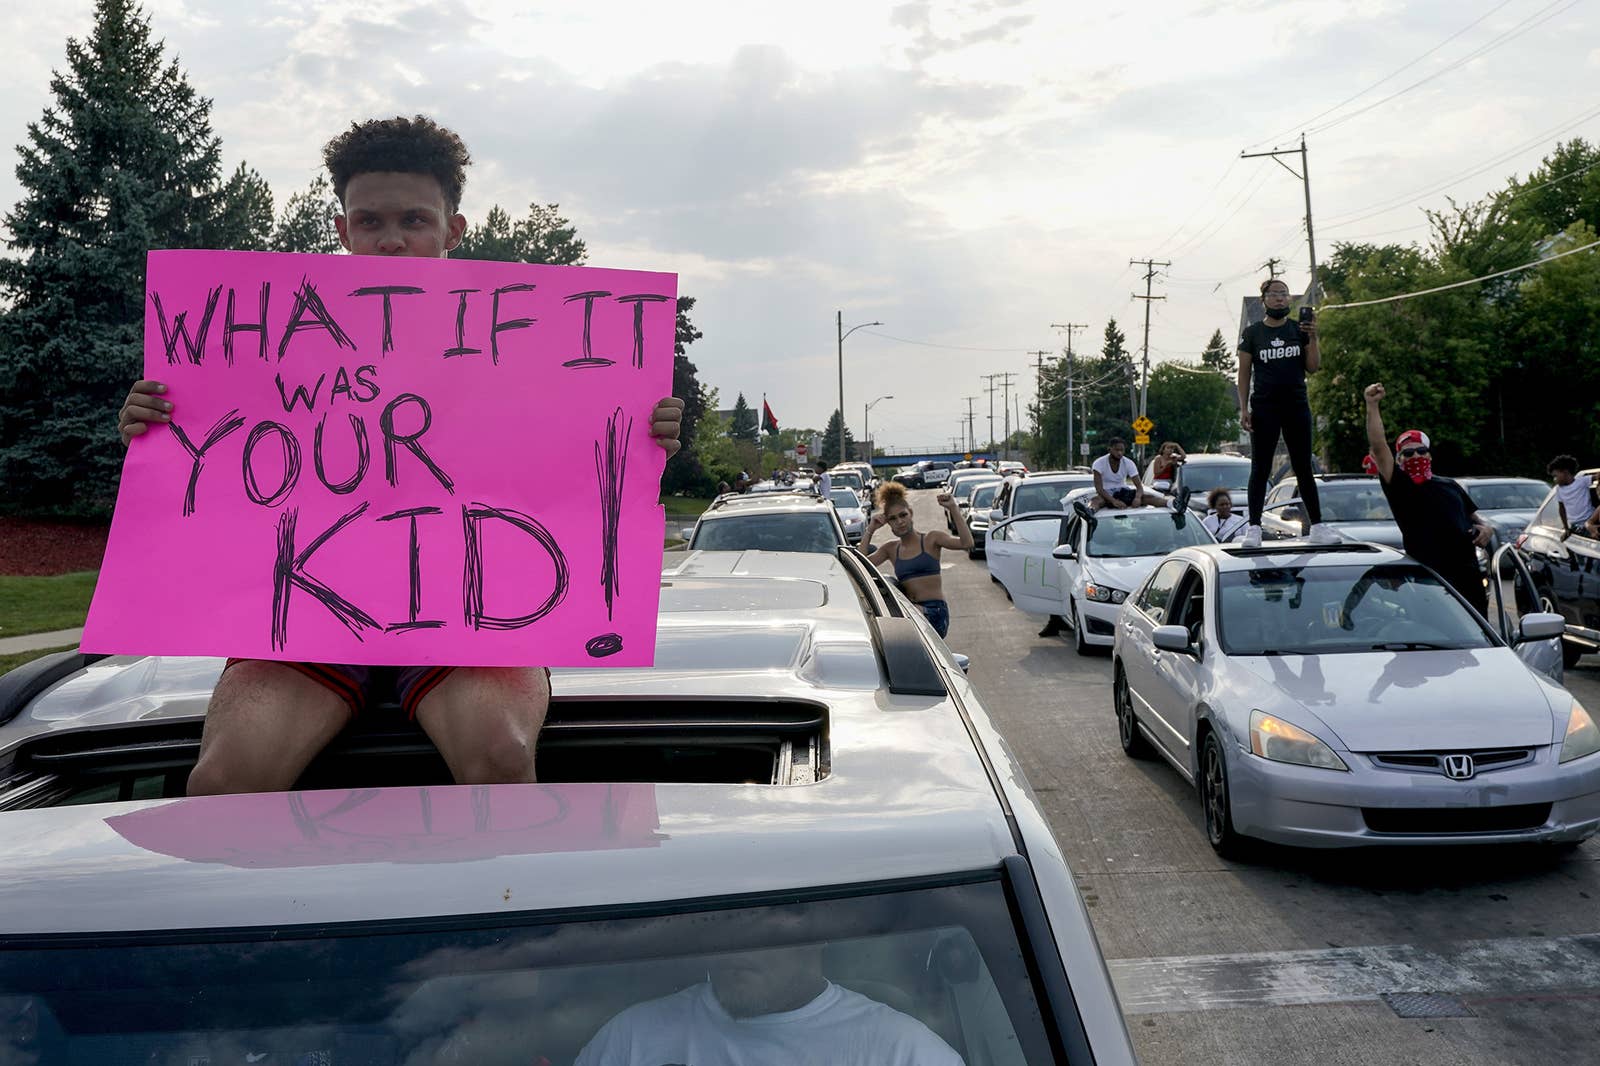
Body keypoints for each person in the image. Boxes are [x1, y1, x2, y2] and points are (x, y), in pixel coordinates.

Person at [116, 116, 684, 795]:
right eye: (370, 221)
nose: (391, 239)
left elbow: (573, 481)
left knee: (499, 759)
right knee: (224, 781)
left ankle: (498, 901)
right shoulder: (266, 337)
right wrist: (158, 428)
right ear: (341, 231)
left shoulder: (533, 342)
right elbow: (218, 467)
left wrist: (640, 436)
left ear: (454, 229)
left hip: (473, 612)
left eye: (414, 219)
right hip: (306, 614)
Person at [573, 944, 962, 1066]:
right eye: (727, 922)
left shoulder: (902, 1053)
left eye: (765, 925)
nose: (738, 946)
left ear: (818, 935)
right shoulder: (633, 1038)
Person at [1363, 383, 1493, 616]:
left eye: (1421, 451)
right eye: (1408, 453)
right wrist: (1372, 405)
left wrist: (1486, 529)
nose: (1416, 456)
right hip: (1427, 580)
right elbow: (1378, 445)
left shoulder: (1450, 486)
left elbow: (1476, 519)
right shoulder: (1400, 485)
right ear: (1399, 460)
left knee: (1476, 637)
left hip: (1467, 578)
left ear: (1430, 454)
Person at [1236, 278, 1336, 546]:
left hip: (1296, 405)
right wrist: (1243, 407)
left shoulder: (1298, 330)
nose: (1279, 298)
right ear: (1263, 300)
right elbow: (1244, 372)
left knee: (1304, 466)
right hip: (1265, 407)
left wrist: (1313, 336)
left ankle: (1317, 527)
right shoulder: (1253, 333)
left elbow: (1313, 367)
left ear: (1290, 300)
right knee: (1260, 468)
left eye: (1284, 294)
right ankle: (1254, 528)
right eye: (1274, 294)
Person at [859, 482, 971, 638]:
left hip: (935, 613)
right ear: (888, 523)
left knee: (902, 615)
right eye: (893, 518)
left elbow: (967, 543)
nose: (899, 521)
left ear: (910, 513)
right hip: (912, 612)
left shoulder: (932, 539)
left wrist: (953, 508)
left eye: (903, 515)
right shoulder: (890, 549)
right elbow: (859, 565)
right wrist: (870, 529)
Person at [1090, 437, 1163, 510]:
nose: (1119, 453)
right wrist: (1114, 501)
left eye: (1122, 450)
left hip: (1123, 492)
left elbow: (1139, 486)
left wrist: (1137, 498)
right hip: (1106, 494)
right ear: (1109, 449)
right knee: (1096, 500)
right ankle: (1090, 511)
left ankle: (1170, 503)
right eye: (1117, 450)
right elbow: (1099, 489)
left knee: (1147, 497)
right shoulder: (1099, 463)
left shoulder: (1128, 463)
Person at [1548, 454, 1600, 538]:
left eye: (1555, 476)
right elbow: (1562, 509)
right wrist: (1566, 528)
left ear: (1565, 472)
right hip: (1575, 526)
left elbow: (1597, 476)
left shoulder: (1582, 481)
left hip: (1590, 521)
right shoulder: (1559, 489)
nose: (1554, 479)